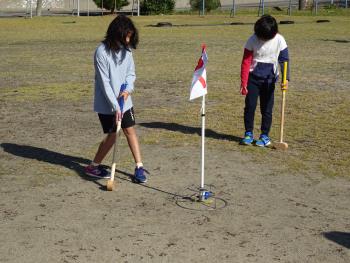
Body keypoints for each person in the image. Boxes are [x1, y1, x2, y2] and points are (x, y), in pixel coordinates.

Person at [85, 15, 147, 183]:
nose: (128, 40)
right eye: (126, 36)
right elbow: (105, 83)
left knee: (130, 130)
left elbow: (130, 73)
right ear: (116, 33)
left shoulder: (126, 50)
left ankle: (139, 167)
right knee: (112, 136)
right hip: (107, 104)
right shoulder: (101, 52)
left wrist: (128, 90)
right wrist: (115, 106)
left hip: (124, 100)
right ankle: (93, 166)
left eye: (130, 36)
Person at [240, 15, 290, 147]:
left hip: (269, 80)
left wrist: (286, 79)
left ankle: (264, 136)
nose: (261, 40)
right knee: (250, 107)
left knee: (266, 109)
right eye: (260, 37)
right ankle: (248, 134)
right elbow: (246, 62)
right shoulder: (252, 40)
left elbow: (284, 60)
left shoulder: (280, 40)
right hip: (253, 79)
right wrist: (244, 82)